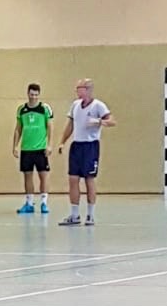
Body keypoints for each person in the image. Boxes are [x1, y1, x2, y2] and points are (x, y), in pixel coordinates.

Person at [57, 78, 114, 226]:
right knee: (73, 179)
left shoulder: (98, 105)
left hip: (90, 146)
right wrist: (62, 141)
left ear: (88, 89)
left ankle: (90, 215)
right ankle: (75, 215)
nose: (77, 91)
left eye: (79, 88)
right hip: (77, 145)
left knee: (89, 179)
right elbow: (70, 125)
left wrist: (99, 121)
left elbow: (111, 121)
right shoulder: (75, 105)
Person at [14, 83, 54, 215]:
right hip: (26, 149)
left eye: (36, 95)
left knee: (43, 175)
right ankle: (29, 203)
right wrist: (15, 146)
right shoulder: (21, 109)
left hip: (41, 148)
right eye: (32, 94)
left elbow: (50, 127)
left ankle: (44, 203)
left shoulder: (44, 108)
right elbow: (18, 129)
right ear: (28, 94)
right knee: (27, 176)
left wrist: (49, 145)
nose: (34, 97)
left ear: (39, 95)